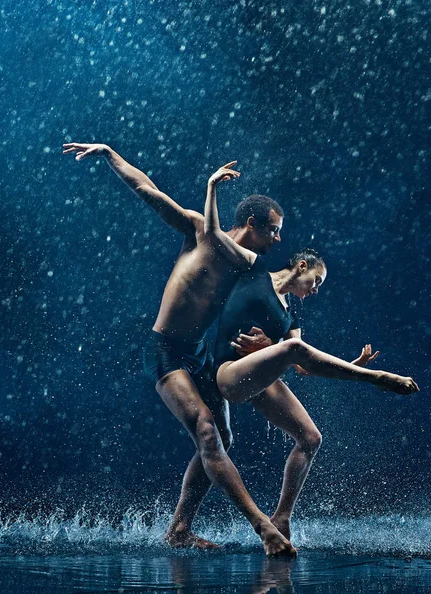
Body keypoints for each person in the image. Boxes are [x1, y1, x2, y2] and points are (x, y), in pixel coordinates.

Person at [62, 144, 295, 556]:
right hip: (166, 351)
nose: (278, 239)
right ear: (252, 224)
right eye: (273, 230)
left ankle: (179, 529)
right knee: (207, 430)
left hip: (200, 353)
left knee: (222, 435)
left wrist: (274, 343)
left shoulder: (247, 266)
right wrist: (109, 153)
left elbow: (281, 300)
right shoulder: (197, 229)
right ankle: (263, 527)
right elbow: (147, 190)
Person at [205, 186, 420, 541]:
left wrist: (351, 360)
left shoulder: (289, 318)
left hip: (260, 379)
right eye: (316, 281)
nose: (316, 290)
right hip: (228, 374)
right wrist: (213, 188)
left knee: (310, 437)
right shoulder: (254, 272)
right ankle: (375, 378)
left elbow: (303, 365)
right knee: (293, 350)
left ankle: (282, 517)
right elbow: (213, 235)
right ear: (301, 266)